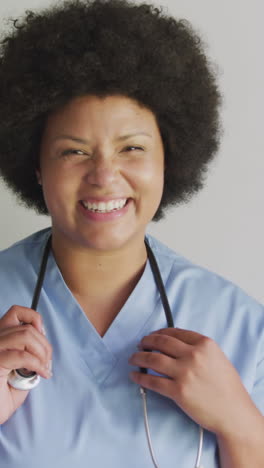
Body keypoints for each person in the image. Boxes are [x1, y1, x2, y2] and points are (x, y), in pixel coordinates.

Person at [0, 0, 263, 467]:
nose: (104, 176)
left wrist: (240, 425)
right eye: (73, 152)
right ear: (36, 167)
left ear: (170, 159)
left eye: (132, 148)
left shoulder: (240, 326)